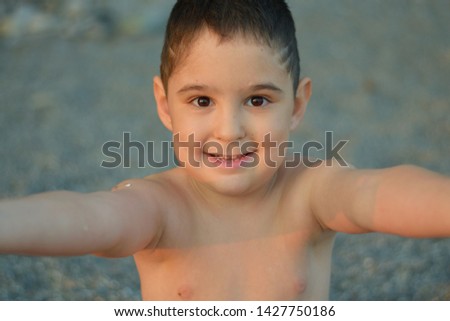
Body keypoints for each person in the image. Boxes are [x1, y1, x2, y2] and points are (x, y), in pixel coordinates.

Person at [0, 0, 449, 300]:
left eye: (257, 100)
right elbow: (87, 217)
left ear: (296, 105)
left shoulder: (310, 192)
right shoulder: (158, 208)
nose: (229, 130)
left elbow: (375, 192)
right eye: (201, 101)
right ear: (164, 104)